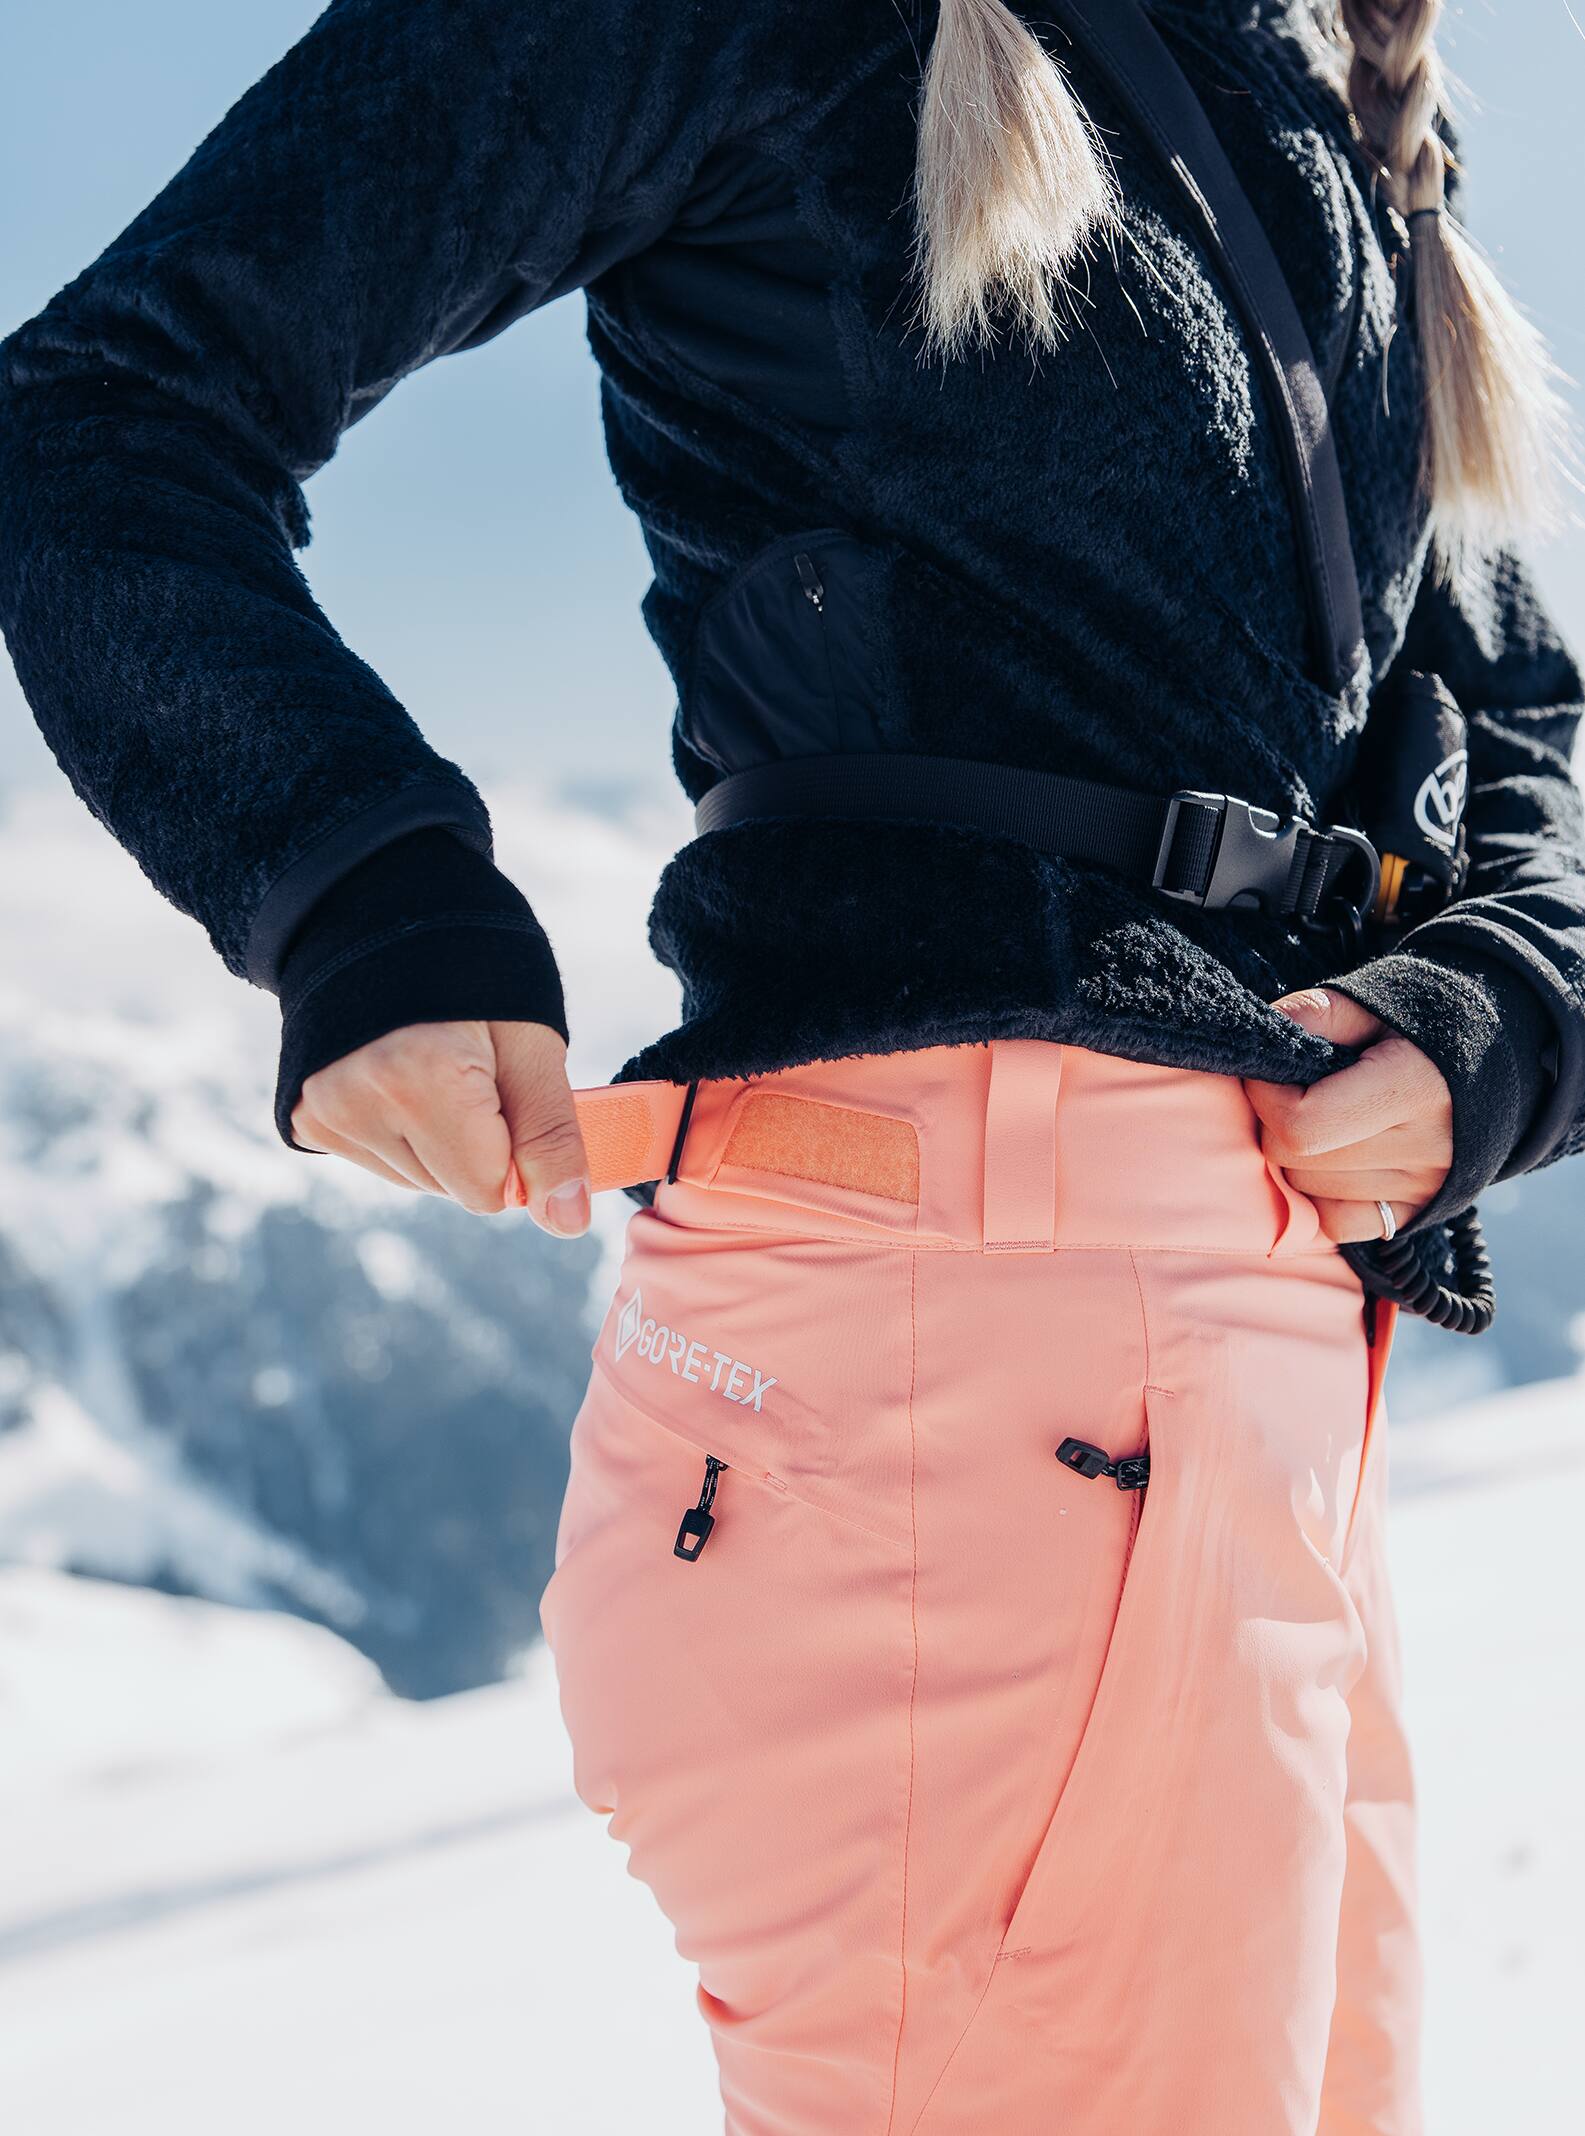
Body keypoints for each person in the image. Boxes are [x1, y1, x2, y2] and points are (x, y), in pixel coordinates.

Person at [2, 1, 1581, 2127]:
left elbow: (1516, 718)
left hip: (1268, 1395)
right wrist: (359, 892)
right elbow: (105, 413)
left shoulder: (1319, 93)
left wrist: (1511, 1002)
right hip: (963, 1402)